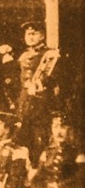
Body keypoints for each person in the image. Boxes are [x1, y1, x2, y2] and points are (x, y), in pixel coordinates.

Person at [15, 21, 60, 165]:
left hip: (41, 101)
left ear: (42, 35)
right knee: (24, 137)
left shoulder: (49, 55)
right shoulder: (23, 56)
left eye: (34, 34)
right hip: (25, 102)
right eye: (28, 34)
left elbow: (52, 77)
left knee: (39, 137)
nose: (30, 37)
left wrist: (40, 85)